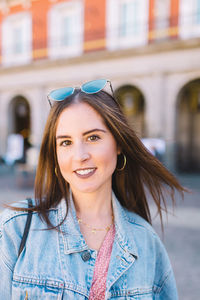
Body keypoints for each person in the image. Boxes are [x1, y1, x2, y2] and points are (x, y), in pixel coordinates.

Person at [0, 79, 185, 299]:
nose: (80, 156)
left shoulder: (146, 242)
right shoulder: (17, 228)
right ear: (56, 154)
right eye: (66, 142)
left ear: (118, 144)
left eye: (93, 137)